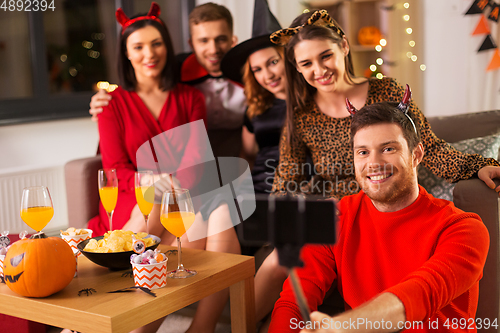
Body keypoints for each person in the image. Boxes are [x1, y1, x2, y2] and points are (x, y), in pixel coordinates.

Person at [268, 98, 490, 333]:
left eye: (388, 149)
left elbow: (416, 297)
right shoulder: (334, 218)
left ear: (416, 155)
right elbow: (294, 302)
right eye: (363, 152)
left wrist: (338, 327)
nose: (373, 163)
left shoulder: (463, 228)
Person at [269, 9, 500, 199]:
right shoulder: (302, 117)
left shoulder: (387, 91)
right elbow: (287, 179)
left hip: (389, 205)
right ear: (297, 67)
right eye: (307, 63)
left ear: (344, 46)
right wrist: (281, 218)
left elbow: (429, 147)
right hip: (337, 217)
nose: (319, 70)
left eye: (326, 56)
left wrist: (477, 167)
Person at [87, 2, 207, 241]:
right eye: (138, 47)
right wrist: (148, 181)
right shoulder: (109, 103)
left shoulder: (192, 98)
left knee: (193, 226)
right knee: (150, 206)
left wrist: (172, 184)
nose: (149, 54)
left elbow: (196, 159)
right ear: (127, 53)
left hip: (181, 190)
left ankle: (146, 270)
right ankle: (117, 255)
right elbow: (115, 168)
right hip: (130, 192)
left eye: (156, 44)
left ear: (167, 47)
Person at [90, 2, 246, 160]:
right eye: (203, 41)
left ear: (233, 41)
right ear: (191, 44)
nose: (213, 49)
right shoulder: (176, 69)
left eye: (221, 40)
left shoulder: (251, 76)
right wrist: (104, 103)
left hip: (234, 156)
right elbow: (144, 79)